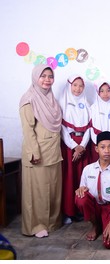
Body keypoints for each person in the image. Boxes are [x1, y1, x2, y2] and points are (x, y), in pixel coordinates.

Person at [19, 64, 63, 238]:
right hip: (38, 153)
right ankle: (36, 226)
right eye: (43, 76)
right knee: (36, 192)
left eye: (50, 76)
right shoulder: (28, 99)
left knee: (52, 189)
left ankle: (52, 222)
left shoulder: (51, 99)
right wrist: (34, 153)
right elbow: (28, 129)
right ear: (35, 77)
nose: (47, 80)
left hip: (53, 151)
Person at [75, 131, 110, 249]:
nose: (107, 151)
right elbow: (82, 191)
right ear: (96, 149)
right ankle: (95, 225)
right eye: (102, 147)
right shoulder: (88, 169)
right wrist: (80, 190)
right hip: (95, 206)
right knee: (80, 198)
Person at [59, 74, 91, 224]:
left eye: (81, 86)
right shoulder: (63, 103)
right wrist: (74, 146)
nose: (78, 89)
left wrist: (82, 146)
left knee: (82, 178)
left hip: (84, 146)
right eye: (75, 85)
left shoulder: (86, 103)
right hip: (69, 146)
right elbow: (63, 128)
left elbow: (90, 128)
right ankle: (69, 212)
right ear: (69, 85)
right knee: (70, 178)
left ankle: (81, 211)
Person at [89, 80, 110, 162]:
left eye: (108, 90)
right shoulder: (93, 108)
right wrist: (99, 145)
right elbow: (91, 128)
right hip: (96, 145)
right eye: (102, 91)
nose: (105, 93)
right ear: (98, 92)